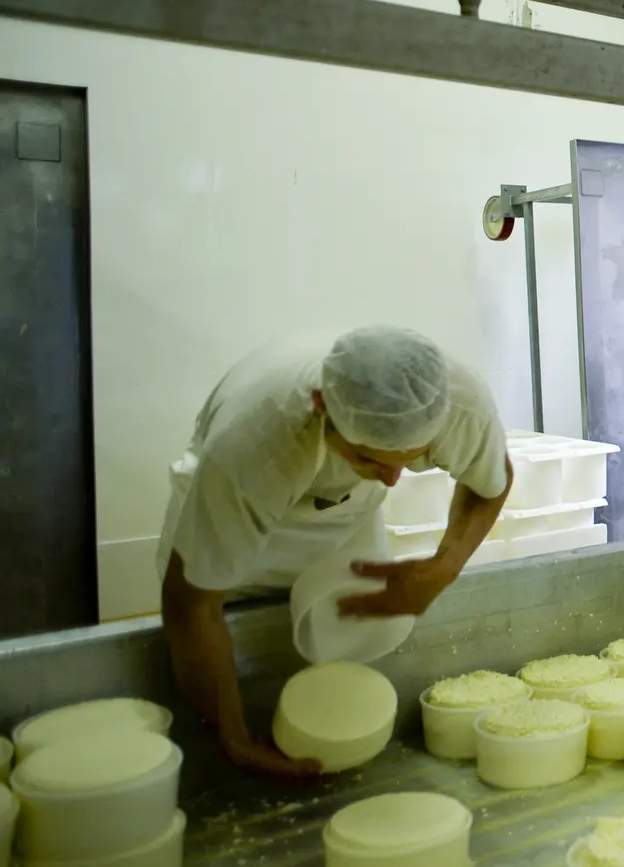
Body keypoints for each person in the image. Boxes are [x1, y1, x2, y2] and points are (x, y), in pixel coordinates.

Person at [157, 326, 513, 777]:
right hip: (244, 508)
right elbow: (192, 605)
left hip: (344, 508)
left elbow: (490, 483)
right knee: (240, 642)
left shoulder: (457, 402)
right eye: (369, 460)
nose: (391, 481)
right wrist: (233, 739)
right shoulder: (252, 447)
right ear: (323, 406)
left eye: (409, 460)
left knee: (347, 637)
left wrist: (446, 566)